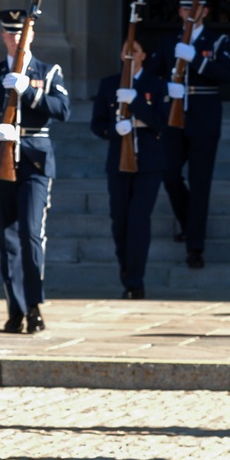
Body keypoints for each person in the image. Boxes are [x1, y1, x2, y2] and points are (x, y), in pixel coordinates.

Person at [145, 0, 230, 269]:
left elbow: (226, 74)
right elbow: (152, 77)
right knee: (169, 175)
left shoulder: (217, 41)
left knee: (200, 183)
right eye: (185, 8)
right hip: (174, 115)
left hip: (203, 116)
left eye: (194, 8)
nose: (189, 13)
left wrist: (195, 59)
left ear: (204, 11)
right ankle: (188, 222)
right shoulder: (168, 43)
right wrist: (167, 88)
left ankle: (195, 247)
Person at [0, 8, 71, 333]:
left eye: (20, 33)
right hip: (1, 157)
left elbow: (63, 110)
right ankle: (15, 309)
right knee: (6, 240)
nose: (15, 39)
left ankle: (34, 306)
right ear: (2, 36)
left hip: (35, 161)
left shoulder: (47, 71)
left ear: (31, 36)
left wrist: (29, 90)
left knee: (30, 234)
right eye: (9, 33)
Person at [90, 39, 169, 299]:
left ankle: (136, 281)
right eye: (125, 51)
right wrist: (115, 131)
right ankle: (127, 273)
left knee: (138, 221)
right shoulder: (109, 84)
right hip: (118, 163)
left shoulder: (156, 85)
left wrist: (136, 103)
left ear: (143, 55)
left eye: (134, 51)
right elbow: (97, 124)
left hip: (148, 164)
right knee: (119, 222)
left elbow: (162, 123)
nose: (129, 56)